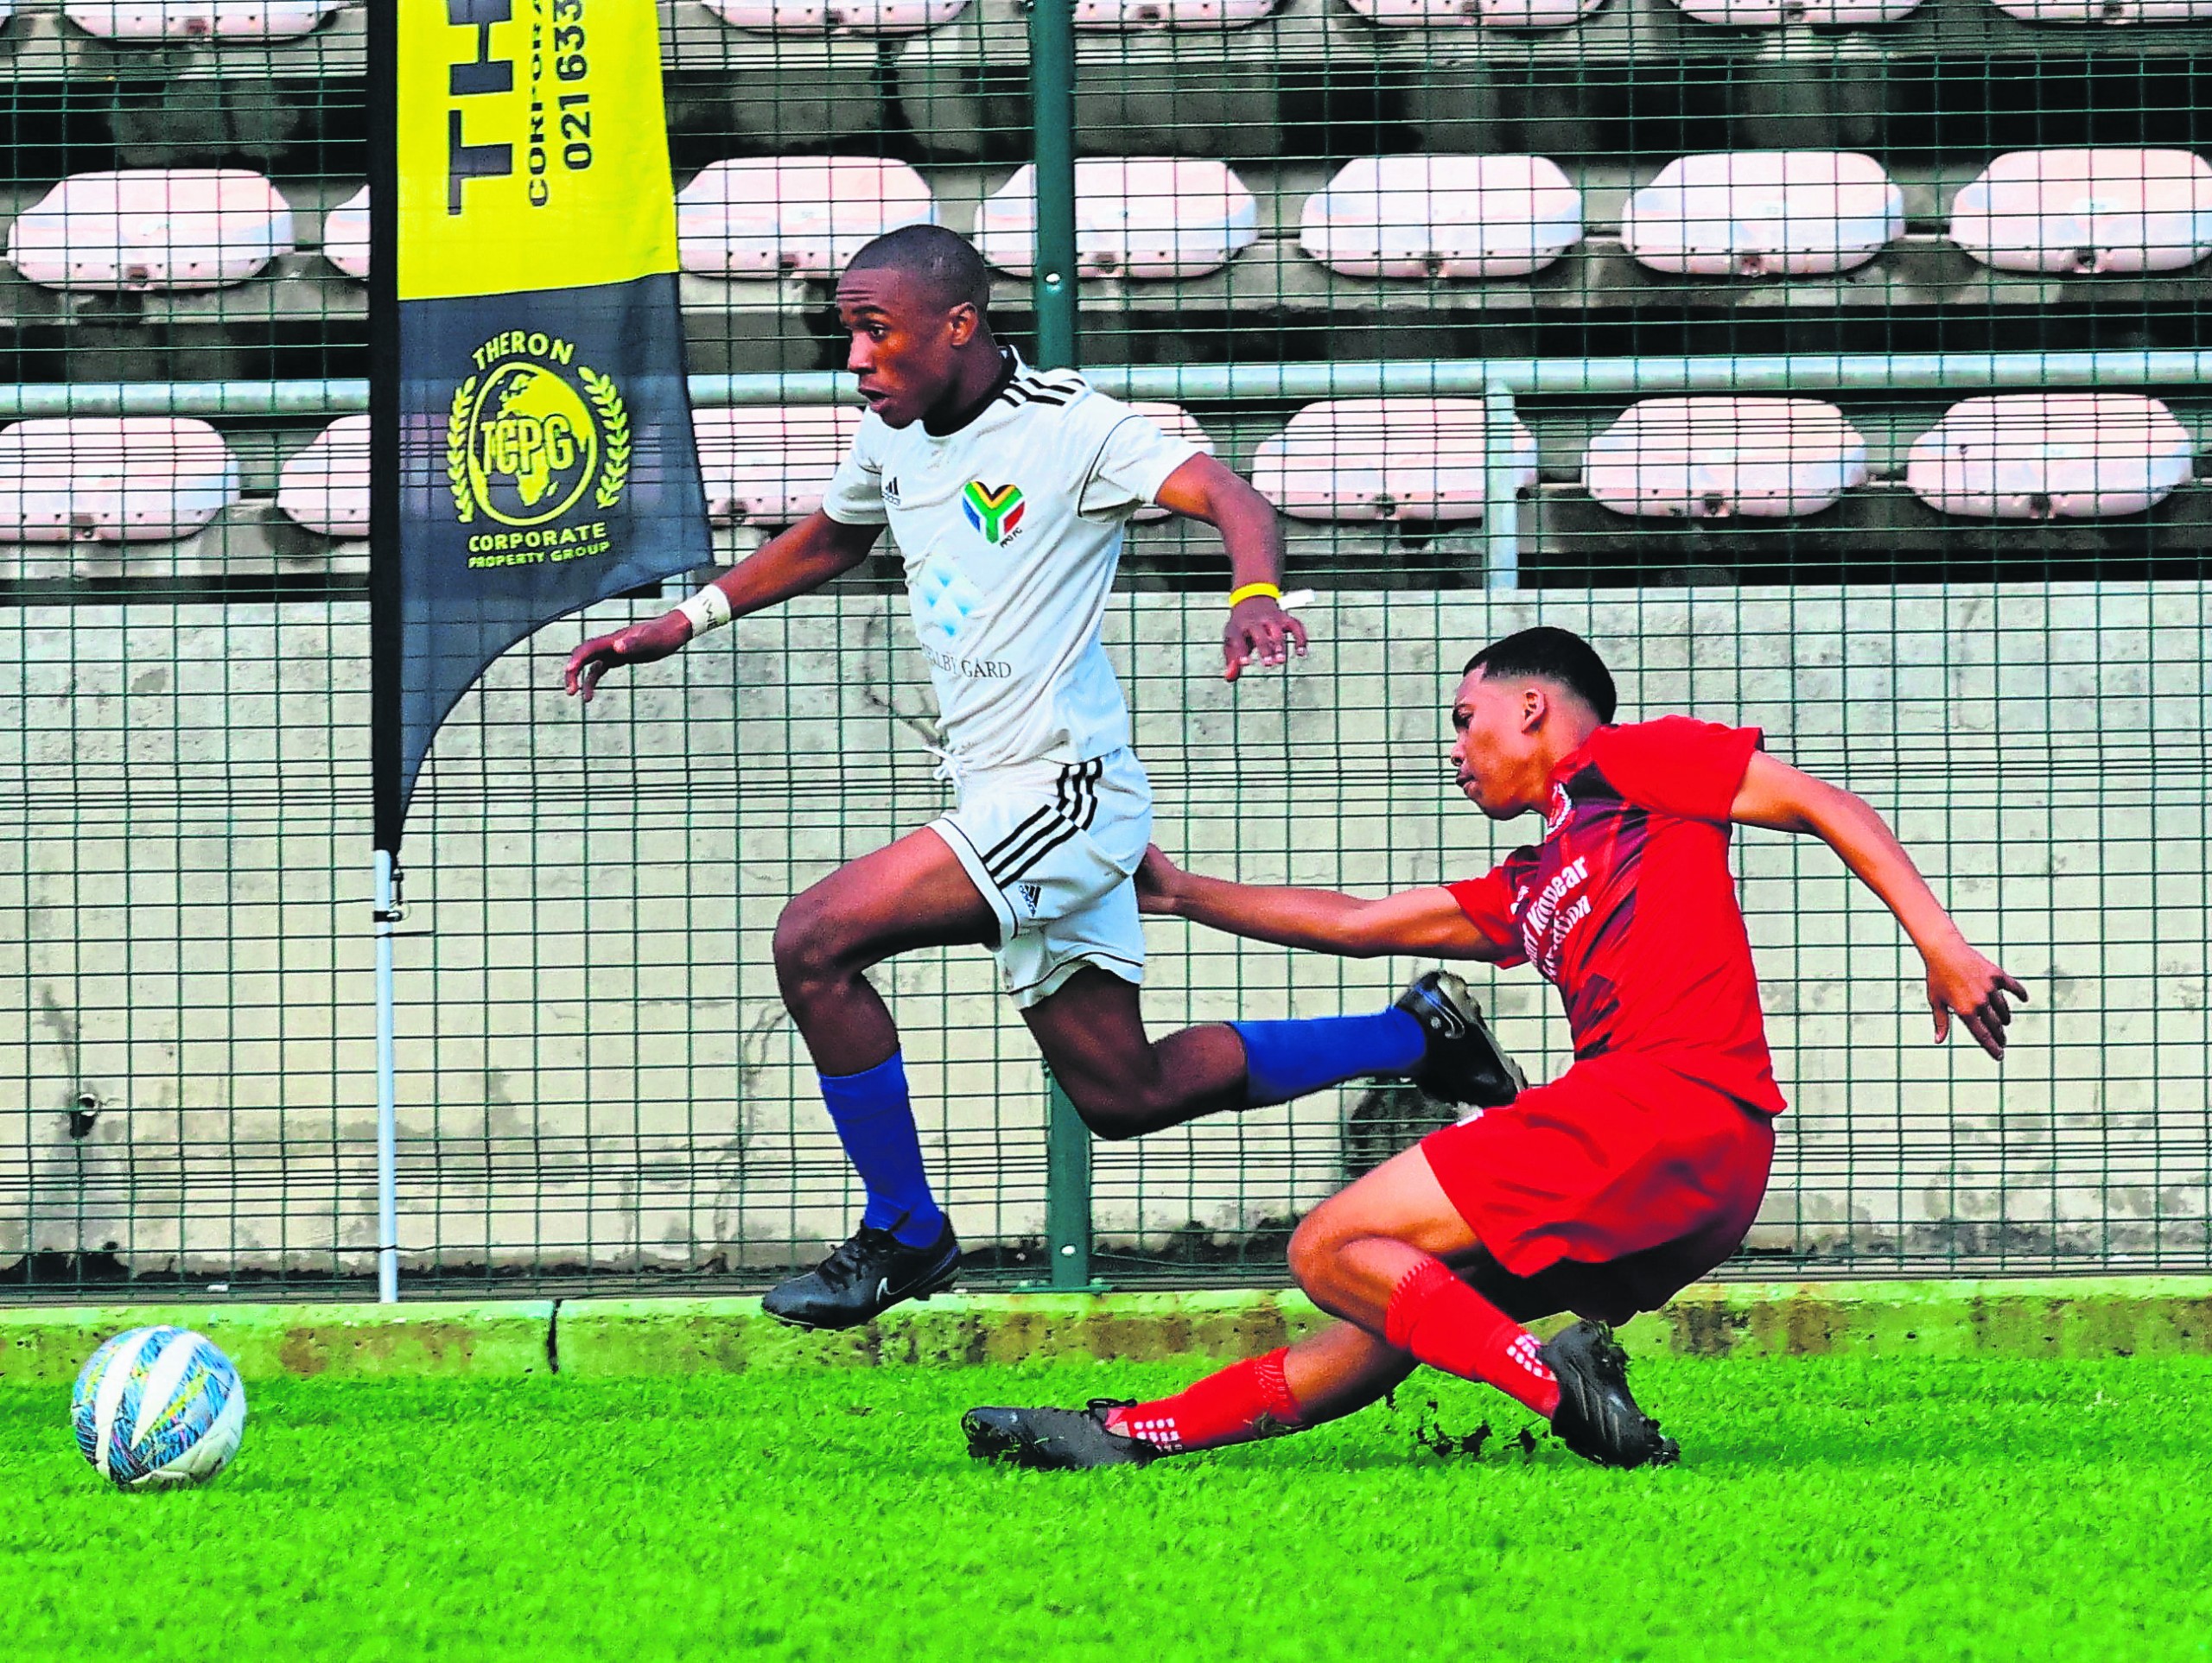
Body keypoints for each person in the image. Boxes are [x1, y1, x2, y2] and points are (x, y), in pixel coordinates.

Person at [563, 225, 1522, 1330]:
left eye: (876, 332)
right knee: (1125, 1092)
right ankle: (1417, 1035)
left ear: (959, 325)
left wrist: (1253, 596)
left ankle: (903, 1231)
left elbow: (1235, 499)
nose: (857, 360)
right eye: (849, 334)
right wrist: (681, 622)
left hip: (1062, 794)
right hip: (999, 796)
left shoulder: (1075, 427)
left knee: (813, 939)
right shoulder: (893, 437)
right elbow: (830, 540)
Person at [963, 625, 2027, 1469]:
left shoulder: (1631, 763)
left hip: (1660, 1105)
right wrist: (1183, 891)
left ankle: (1557, 1388)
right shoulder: (1534, 879)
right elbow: (1355, 921)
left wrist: (1942, 945)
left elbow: (1817, 800)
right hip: (1707, 1170)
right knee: (1401, 1312)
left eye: (1464, 717)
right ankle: (1136, 1432)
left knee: (1325, 1247)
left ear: (1532, 705)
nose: (1454, 746)